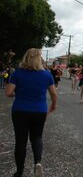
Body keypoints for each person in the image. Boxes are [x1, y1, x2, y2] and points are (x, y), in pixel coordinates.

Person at [5, 48, 57, 177]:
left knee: (20, 140)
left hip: (20, 110)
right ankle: (37, 162)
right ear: (39, 59)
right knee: (37, 137)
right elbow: (54, 94)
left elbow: (8, 93)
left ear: (26, 58)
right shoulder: (47, 74)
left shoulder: (17, 73)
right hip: (39, 111)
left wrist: (16, 94)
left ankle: (19, 172)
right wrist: (53, 106)